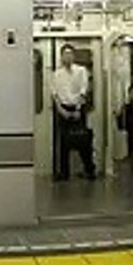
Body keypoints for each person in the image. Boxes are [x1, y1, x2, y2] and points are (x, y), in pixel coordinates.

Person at [51, 44, 96, 180]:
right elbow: (54, 94)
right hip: (63, 108)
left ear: (74, 56)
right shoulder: (57, 74)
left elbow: (83, 90)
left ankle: (89, 169)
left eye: (70, 53)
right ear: (61, 56)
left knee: (83, 141)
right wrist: (60, 110)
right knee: (63, 142)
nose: (67, 56)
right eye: (65, 54)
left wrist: (77, 109)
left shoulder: (81, 70)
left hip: (78, 108)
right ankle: (64, 173)